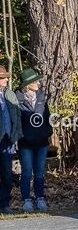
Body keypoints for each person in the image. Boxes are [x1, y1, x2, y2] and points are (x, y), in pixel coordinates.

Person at [16, 67, 51, 211]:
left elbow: (47, 116)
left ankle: (40, 198)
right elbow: (17, 120)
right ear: (27, 84)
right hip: (25, 143)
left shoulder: (41, 97)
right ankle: (26, 200)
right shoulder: (17, 99)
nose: (38, 83)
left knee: (39, 172)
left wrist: (47, 131)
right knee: (26, 171)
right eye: (35, 81)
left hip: (42, 142)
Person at [0, 66, 21, 213]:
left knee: (7, 175)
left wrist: (15, 135)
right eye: (3, 77)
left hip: (7, 141)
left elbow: (16, 117)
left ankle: (4, 203)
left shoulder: (8, 95)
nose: (7, 79)